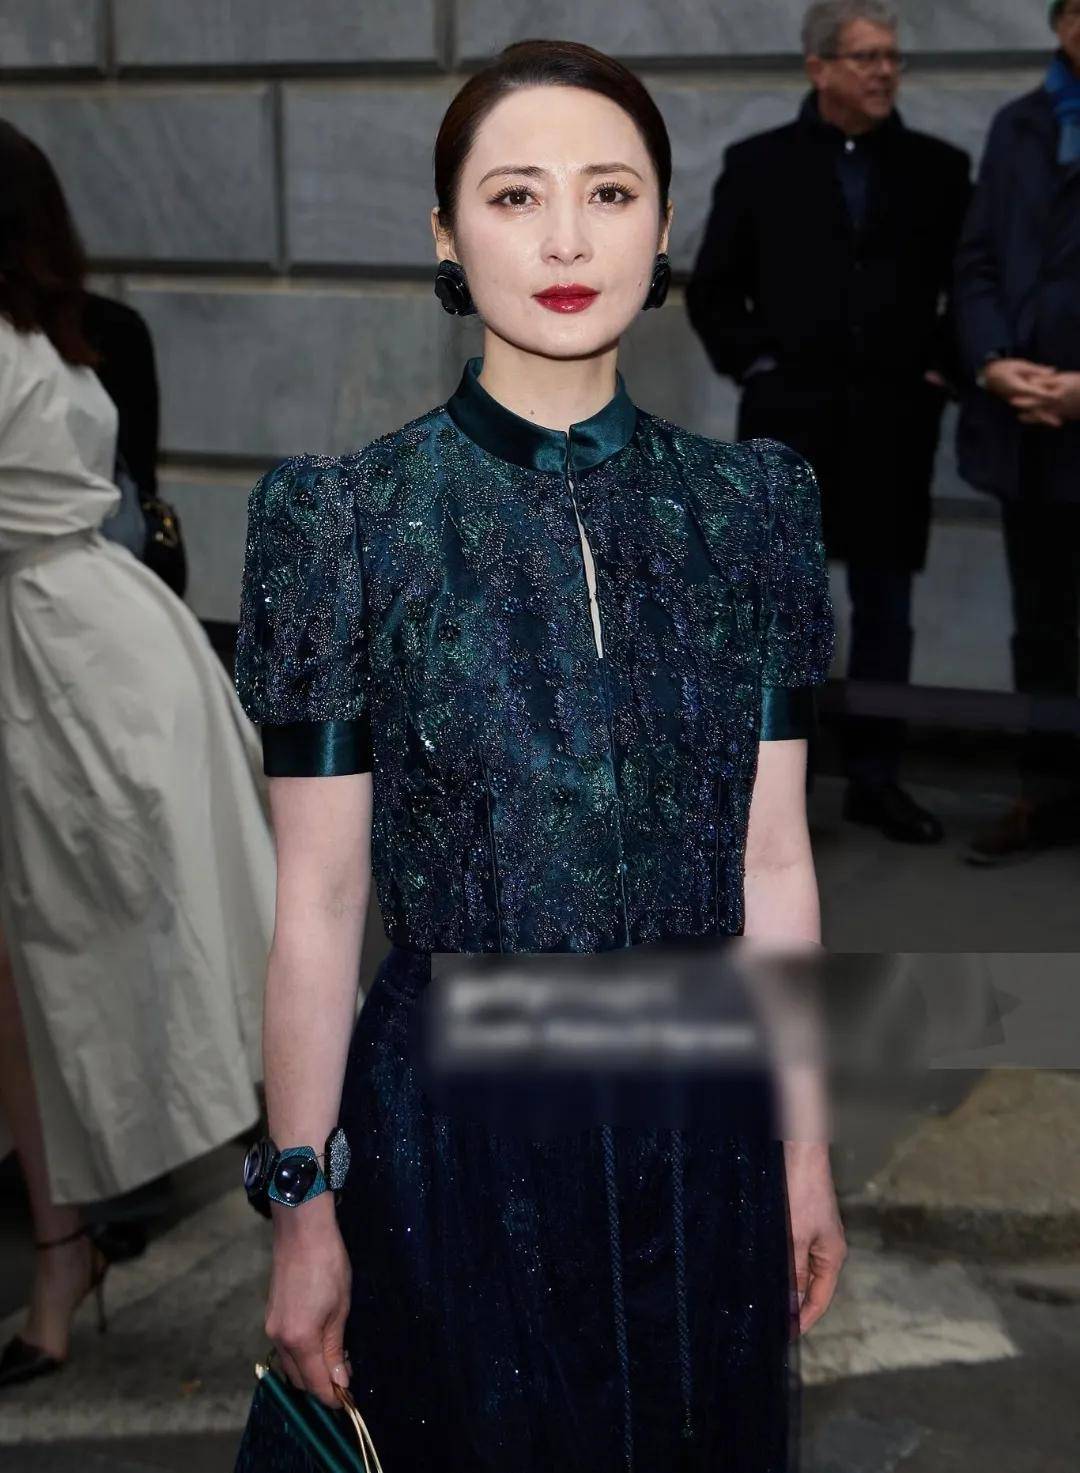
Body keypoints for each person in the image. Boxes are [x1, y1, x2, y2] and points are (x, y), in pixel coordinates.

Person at [232, 39, 845, 1472]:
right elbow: (319, 900)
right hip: (455, 1130)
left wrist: (807, 1151)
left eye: (609, 192)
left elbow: (774, 861)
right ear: (447, 235)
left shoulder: (750, 511)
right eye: (515, 196)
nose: (568, 239)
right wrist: (302, 1205)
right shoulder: (348, 523)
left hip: (703, 1120)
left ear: (665, 224)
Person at [0, 119, 276, 1386]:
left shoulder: (53, 342)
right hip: (98, 644)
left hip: (68, 668)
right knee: (60, 968)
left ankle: (318, 1219)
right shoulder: (69, 338)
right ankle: (67, 1255)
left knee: (169, 949)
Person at [686, 0, 972, 845]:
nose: (883, 72)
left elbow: (973, 284)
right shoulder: (759, 163)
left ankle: (878, 781)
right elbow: (713, 290)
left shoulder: (939, 169)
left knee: (886, 604)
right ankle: (783, 793)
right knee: (783, 608)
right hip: (789, 424)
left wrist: (941, 368)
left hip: (894, 421)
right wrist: (759, 366)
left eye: (891, 57)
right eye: (864, 57)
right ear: (818, 67)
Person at [954, 0, 1080, 865]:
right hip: (1026, 429)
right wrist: (994, 361)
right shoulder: (1020, 125)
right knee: (1039, 625)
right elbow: (977, 263)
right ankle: (1044, 795)